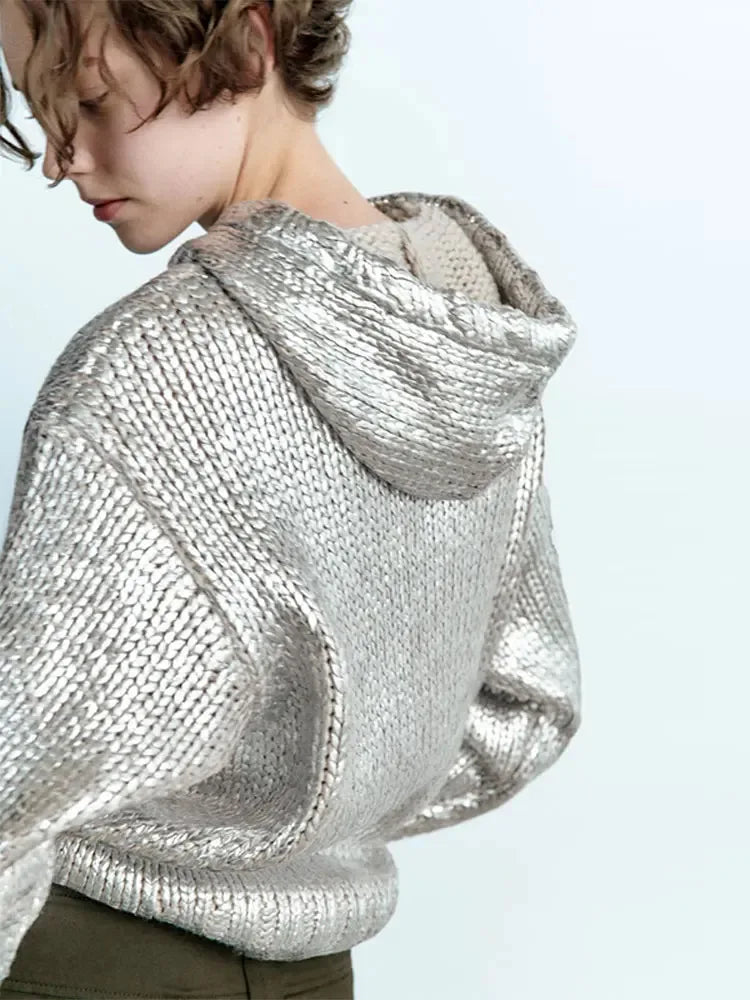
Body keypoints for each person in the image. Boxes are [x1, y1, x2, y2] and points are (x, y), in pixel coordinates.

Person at [0, 2, 583, 998]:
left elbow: (19, 762)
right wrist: (310, 823)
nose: (63, 159)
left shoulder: (145, 370)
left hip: (83, 953)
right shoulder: (467, 333)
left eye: (89, 103)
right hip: (315, 968)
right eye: (41, 113)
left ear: (244, 44)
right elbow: (526, 702)